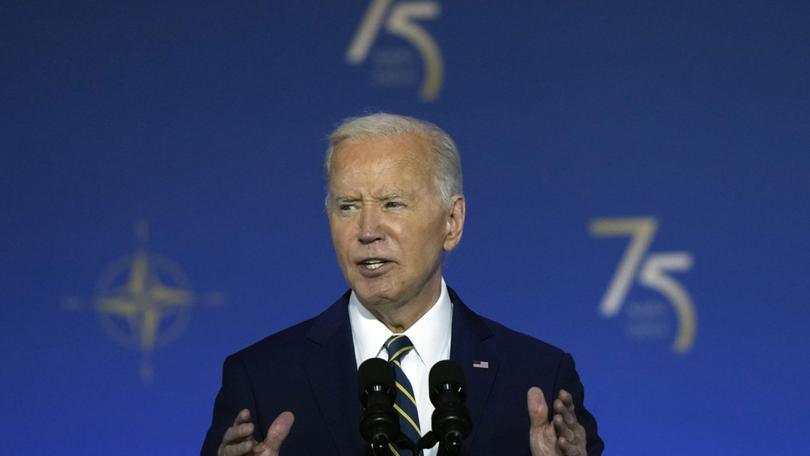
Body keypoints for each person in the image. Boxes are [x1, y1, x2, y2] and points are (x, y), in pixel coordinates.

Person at [201, 113, 604, 456]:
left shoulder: (537, 378)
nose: (367, 230)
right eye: (347, 206)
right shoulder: (261, 380)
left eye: (392, 203)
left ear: (452, 221)